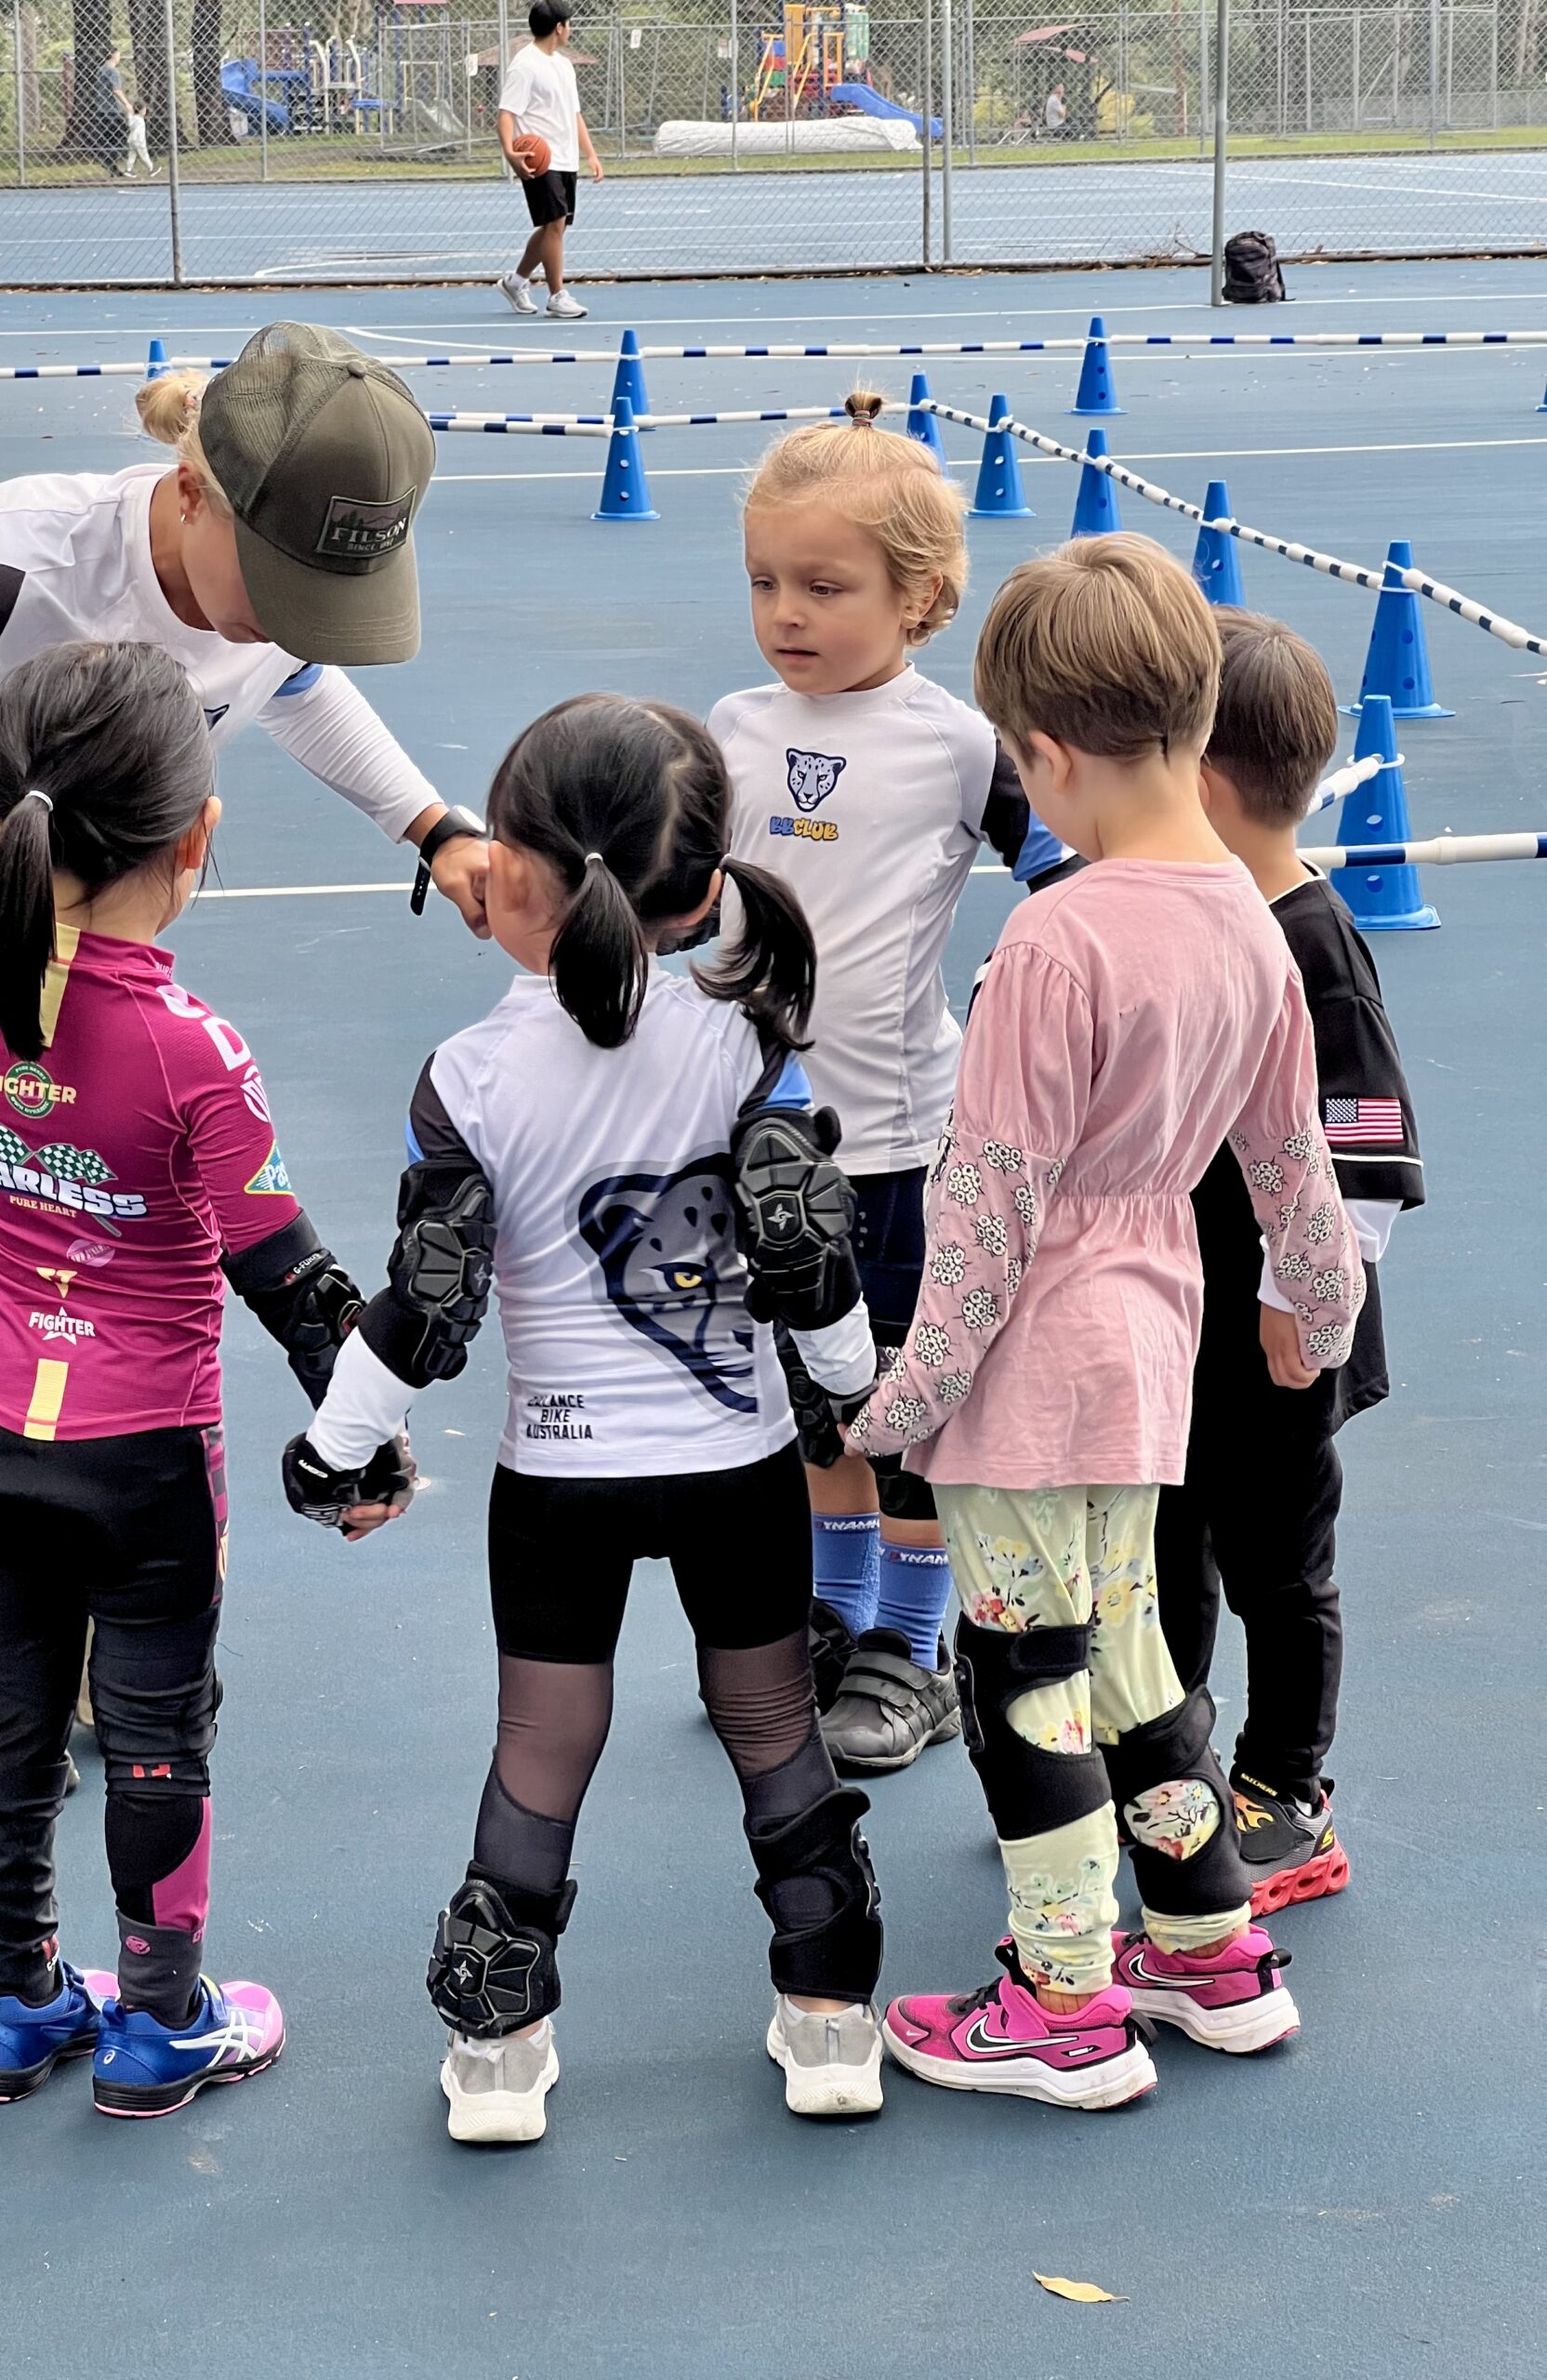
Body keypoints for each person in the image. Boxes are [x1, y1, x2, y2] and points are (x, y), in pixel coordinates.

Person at [0, 323, 487, 1794]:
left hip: (28, 922)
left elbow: (291, 678)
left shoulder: (260, 589)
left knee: (92, 1271)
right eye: (283, 581)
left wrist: (433, 825)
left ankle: (73, 1618)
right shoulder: (8, 574)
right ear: (195, 491)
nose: (292, 619)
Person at [285, 694, 888, 2144]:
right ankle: (830, 2019)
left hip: (557, 1480)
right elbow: (811, 1259)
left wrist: (334, 1451)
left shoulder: (469, 1076)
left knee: (543, 1747)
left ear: (511, 876)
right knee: (772, 1724)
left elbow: (423, 1300)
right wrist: (863, 1394)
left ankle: (498, 2050)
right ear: (702, 886)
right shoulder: (748, 1048)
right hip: (738, 1466)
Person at [854, 535, 1366, 2111]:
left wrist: (907, 1396)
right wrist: (1320, 1303)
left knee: (1027, 1675)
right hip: (1152, 1352)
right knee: (1134, 1650)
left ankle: (1062, 1997)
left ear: (1046, 756)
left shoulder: (1057, 938)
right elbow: (1294, 1164)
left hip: (1030, 1371)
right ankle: (1209, 1947)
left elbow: (990, 1198)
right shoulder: (1253, 919)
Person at [0, 640, 411, 2113]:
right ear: (196, 840)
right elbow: (292, 1279)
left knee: (8, 1721)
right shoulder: (195, 1052)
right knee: (159, 1738)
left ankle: (9, 2005)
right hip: (150, 1460)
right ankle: (162, 2022)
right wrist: (363, 1453)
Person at [711, 392, 1073, 1778]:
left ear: (918, 598)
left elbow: (1066, 884)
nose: (785, 613)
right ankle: (837, 1610)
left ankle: (913, 1650)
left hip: (905, 1144)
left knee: (910, 1403)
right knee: (810, 1403)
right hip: (762, 1147)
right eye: (764, 581)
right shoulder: (731, 729)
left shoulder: (962, 743)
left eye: (824, 586)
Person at [1155, 611, 1423, 1914]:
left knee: (1279, 1566)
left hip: (1274, 1340)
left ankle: (1285, 1785)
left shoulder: (1314, 945)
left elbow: (1363, 1157)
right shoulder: (1184, 914)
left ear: (1200, 782)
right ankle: (1170, 1763)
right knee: (1167, 1548)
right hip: (1174, 1320)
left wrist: (1297, 1295)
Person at [496, 2, 603, 322]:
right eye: (569, 24)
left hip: (566, 158)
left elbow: (574, 114)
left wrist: (590, 153)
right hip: (540, 160)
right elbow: (506, 114)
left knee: (554, 227)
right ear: (559, 27)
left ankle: (515, 282)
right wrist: (510, 153)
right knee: (555, 223)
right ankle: (557, 296)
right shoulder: (525, 65)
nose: (570, 29)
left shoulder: (564, 65)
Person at [96, 46, 135, 178]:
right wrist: (127, 104)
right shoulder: (113, 71)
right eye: (118, 54)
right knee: (120, 136)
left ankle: (111, 165)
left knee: (108, 137)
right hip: (112, 109)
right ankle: (109, 160)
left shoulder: (100, 70)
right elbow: (116, 90)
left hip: (101, 108)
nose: (120, 57)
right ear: (113, 55)